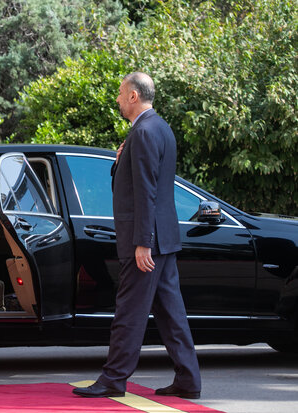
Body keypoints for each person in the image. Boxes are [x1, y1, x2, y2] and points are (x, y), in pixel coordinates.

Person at [73, 72, 202, 399]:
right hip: (163, 239)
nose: (117, 99)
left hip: (145, 241)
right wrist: (120, 162)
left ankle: (113, 379)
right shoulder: (161, 128)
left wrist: (143, 242)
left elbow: (146, 192)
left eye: (120, 93)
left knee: (128, 311)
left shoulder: (143, 132)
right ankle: (188, 380)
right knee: (172, 315)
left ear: (133, 96)